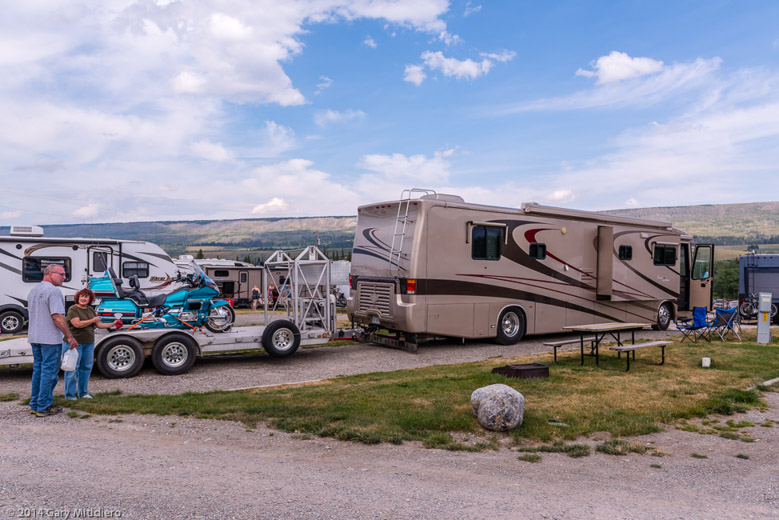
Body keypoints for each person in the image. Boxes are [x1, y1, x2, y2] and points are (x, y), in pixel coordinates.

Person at [28, 264, 78, 417]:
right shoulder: (54, 291)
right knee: (49, 373)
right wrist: (69, 336)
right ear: (49, 274)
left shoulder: (33, 290)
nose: (64, 277)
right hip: (49, 338)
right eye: (61, 274)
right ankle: (44, 406)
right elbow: (57, 316)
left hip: (35, 336)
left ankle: (35, 404)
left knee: (39, 371)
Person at [62, 288, 115, 400]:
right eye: (81, 296)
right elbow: (77, 324)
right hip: (73, 344)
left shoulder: (91, 310)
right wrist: (93, 320)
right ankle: (70, 396)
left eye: (86, 297)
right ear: (78, 297)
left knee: (86, 368)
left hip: (88, 343)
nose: (83, 298)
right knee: (72, 369)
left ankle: (83, 393)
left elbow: (99, 325)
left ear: (90, 299)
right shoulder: (73, 309)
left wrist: (113, 324)